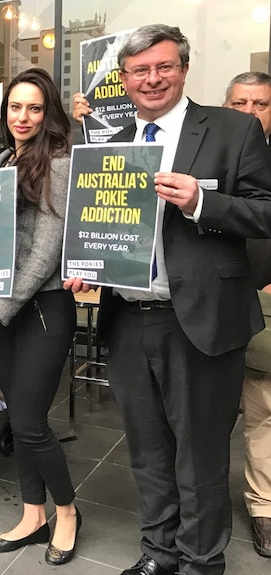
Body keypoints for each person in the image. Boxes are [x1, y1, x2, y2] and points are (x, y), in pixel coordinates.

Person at [65, 25, 271, 575]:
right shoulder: (109, 147)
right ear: (125, 79)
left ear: (182, 68)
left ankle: (202, 560)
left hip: (201, 319)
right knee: (148, 449)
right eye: (139, 71)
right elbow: (95, 228)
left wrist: (204, 201)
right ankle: (158, 552)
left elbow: (266, 213)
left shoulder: (234, 129)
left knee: (199, 452)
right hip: (129, 319)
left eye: (163, 67)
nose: (152, 79)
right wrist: (83, 266)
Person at [0, 69, 80, 565]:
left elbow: (45, 252)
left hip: (42, 309)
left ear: (47, 111)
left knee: (31, 421)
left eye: (34, 108)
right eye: (15, 107)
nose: (23, 117)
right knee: (16, 415)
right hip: (2, 308)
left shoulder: (58, 162)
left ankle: (68, 511)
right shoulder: (3, 159)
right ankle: (33, 515)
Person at [222, 71, 271, 559]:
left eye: (260, 104)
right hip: (216, 304)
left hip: (266, 309)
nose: (250, 112)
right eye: (240, 103)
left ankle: (263, 508)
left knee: (262, 413)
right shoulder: (212, 155)